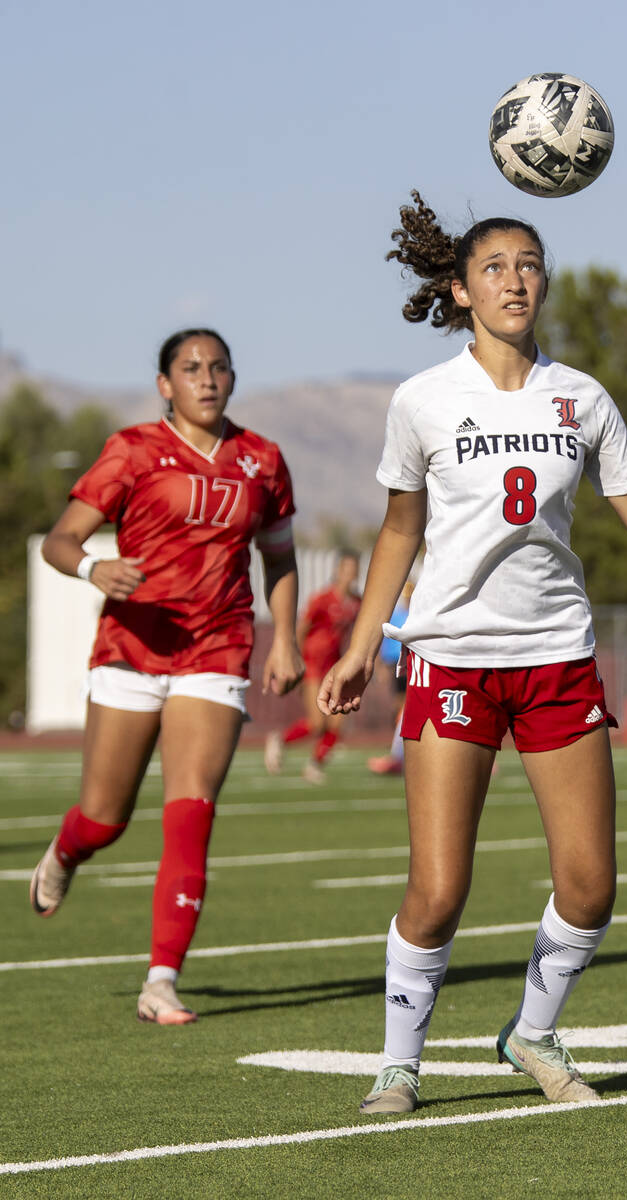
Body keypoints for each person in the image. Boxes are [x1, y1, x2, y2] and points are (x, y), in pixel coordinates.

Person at [318, 192, 627, 1114]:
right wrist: (363, 644)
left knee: (589, 884)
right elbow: (397, 533)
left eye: (529, 264)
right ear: (459, 290)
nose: (515, 280)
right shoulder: (422, 400)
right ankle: (398, 1065)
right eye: (494, 267)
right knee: (440, 889)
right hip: (451, 659)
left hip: (558, 658)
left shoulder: (583, 397)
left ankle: (530, 1032)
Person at [29, 329, 304, 1025]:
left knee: (190, 815)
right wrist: (94, 566)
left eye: (218, 368)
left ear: (233, 378)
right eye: (190, 369)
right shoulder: (131, 450)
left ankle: (161, 981)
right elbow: (60, 540)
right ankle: (67, 850)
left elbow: (279, 558)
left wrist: (286, 641)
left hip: (217, 650)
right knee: (104, 818)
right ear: (164, 385)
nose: (206, 380)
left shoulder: (263, 460)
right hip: (132, 648)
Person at [264, 550, 360, 784]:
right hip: (313, 664)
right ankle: (279, 740)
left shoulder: (357, 602)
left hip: (334, 665)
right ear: (337, 571)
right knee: (318, 723)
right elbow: (303, 627)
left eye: (354, 569)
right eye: (346, 569)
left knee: (337, 721)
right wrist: (292, 655)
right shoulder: (322, 598)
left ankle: (314, 765)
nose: (350, 574)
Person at [367, 579, 413, 776]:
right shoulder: (397, 615)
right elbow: (387, 641)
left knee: (407, 708)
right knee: (401, 709)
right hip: (398, 664)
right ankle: (400, 752)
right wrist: (381, 664)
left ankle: (399, 755)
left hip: (414, 663)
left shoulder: (417, 612)